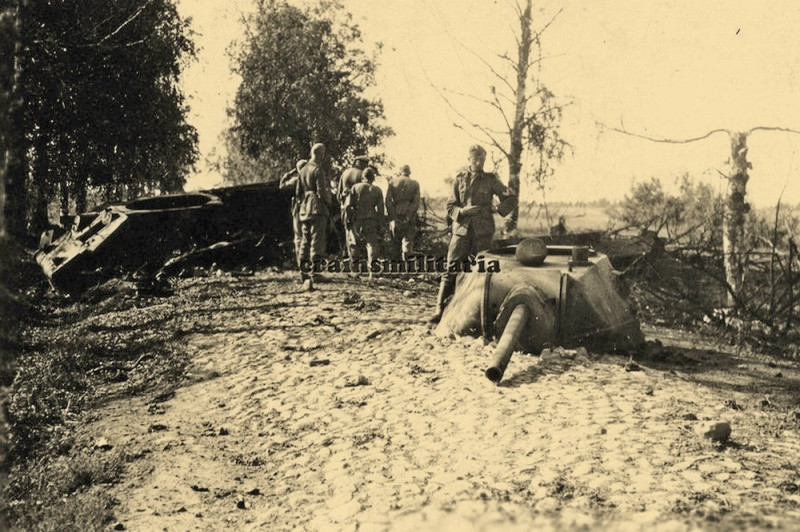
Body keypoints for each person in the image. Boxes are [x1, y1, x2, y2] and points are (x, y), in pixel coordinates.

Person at [429, 145, 517, 323]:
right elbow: (450, 206)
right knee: (451, 268)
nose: (479, 162)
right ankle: (439, 308)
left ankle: (474, 313)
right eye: (476, 159)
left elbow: (511, 198)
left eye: (482, 159)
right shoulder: (459, 179)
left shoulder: (491, 180)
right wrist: (462, 212)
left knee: (480, 271)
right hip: (461, 230)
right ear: (469, 159)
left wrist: (496, 208)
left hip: (482, 231)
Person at [296, 143, 333, 291]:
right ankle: (315, 272)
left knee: (305, 241)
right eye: (323, 154)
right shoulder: (318, 169)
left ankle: (303, 272)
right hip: (317, 208)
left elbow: (298, 193)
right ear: (320, 154)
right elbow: (321, 192)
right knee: (318, 240)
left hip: (305, 209)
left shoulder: (303, 170)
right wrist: (329, 202)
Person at [347, 166, 385, 274]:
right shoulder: (377, 190)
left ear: (363, 177)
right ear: (373, 178)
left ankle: (354, 271)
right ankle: (372, 270)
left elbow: (349, 205)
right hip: (371, 219)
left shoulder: (355, 187)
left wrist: (349, 220)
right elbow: (381, 209)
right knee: (372, 244)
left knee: (354, 243)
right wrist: (381, 224)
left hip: (357, 218)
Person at [386, 164, 420, 261]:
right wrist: (408, 216)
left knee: (395, 242)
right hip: (409, 215)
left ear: (400, 172)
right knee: (408, 240)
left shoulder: (392, 182)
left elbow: (388, 201)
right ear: (409, 172)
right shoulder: (415, 184)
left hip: (396, 213)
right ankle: (407, 262)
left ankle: (396, 264)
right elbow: (416, 203)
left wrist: (393, 217)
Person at [279, 159, 308, 264]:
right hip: (310, 209)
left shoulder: (296, 180)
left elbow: (282, 187)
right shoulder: (312, 179)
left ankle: (301, 262)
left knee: (299, 236)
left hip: (299, 209)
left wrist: (288, 174)